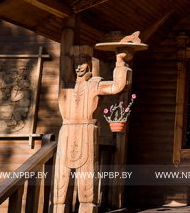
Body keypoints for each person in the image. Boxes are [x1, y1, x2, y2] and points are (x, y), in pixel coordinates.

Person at [53, 45, 132, 213]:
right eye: (76, 64)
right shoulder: (66, 86)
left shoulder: (95, 85)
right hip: (66, 133)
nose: (78, 67)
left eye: (82, 63)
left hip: (87, 132)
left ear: (89, 64)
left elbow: (118, 86)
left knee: (88, 177)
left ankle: (88, 208)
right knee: (61, 178)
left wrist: (120, 61)